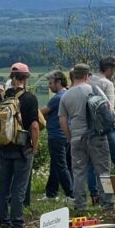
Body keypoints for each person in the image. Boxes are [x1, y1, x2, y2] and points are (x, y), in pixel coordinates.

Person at [0, 62, 40, 228]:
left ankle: (4, 225)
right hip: (22, 149)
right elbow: (34, 126)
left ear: (11, 77)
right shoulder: (29, 98)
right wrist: (34, 147)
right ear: (26, 78)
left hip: (4, 147)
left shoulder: (2, 98)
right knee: (19, 189)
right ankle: (17, 225)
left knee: (3, 188)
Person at [61, 63, 112, 212]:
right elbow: (107, 107)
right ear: (86, 76)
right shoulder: (93, 89)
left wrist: (70, 137)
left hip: (77, 138)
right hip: (96, 136)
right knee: (103, 171)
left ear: (73, 76)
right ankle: (106, 204)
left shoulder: (66, 95)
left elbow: (63, 121)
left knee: (78, 172)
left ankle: (80, 205)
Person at [88, 56, 115, 206]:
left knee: (92, 163)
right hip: (108, 129)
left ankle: (94, 194)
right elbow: (110, 108)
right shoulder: (107, 84)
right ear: (110, 68)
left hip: (92, 129)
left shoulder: (89, 81)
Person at [41, 70, 73, 202]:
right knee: (56, 164)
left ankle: (71, 194)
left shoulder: (57, 97)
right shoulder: (68, 94)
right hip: (65, 134)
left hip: (56, 135)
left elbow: (41, 112)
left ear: (58, 82)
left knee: (60, 165)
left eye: (50, 83)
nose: (49, 86)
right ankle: (51, 193)